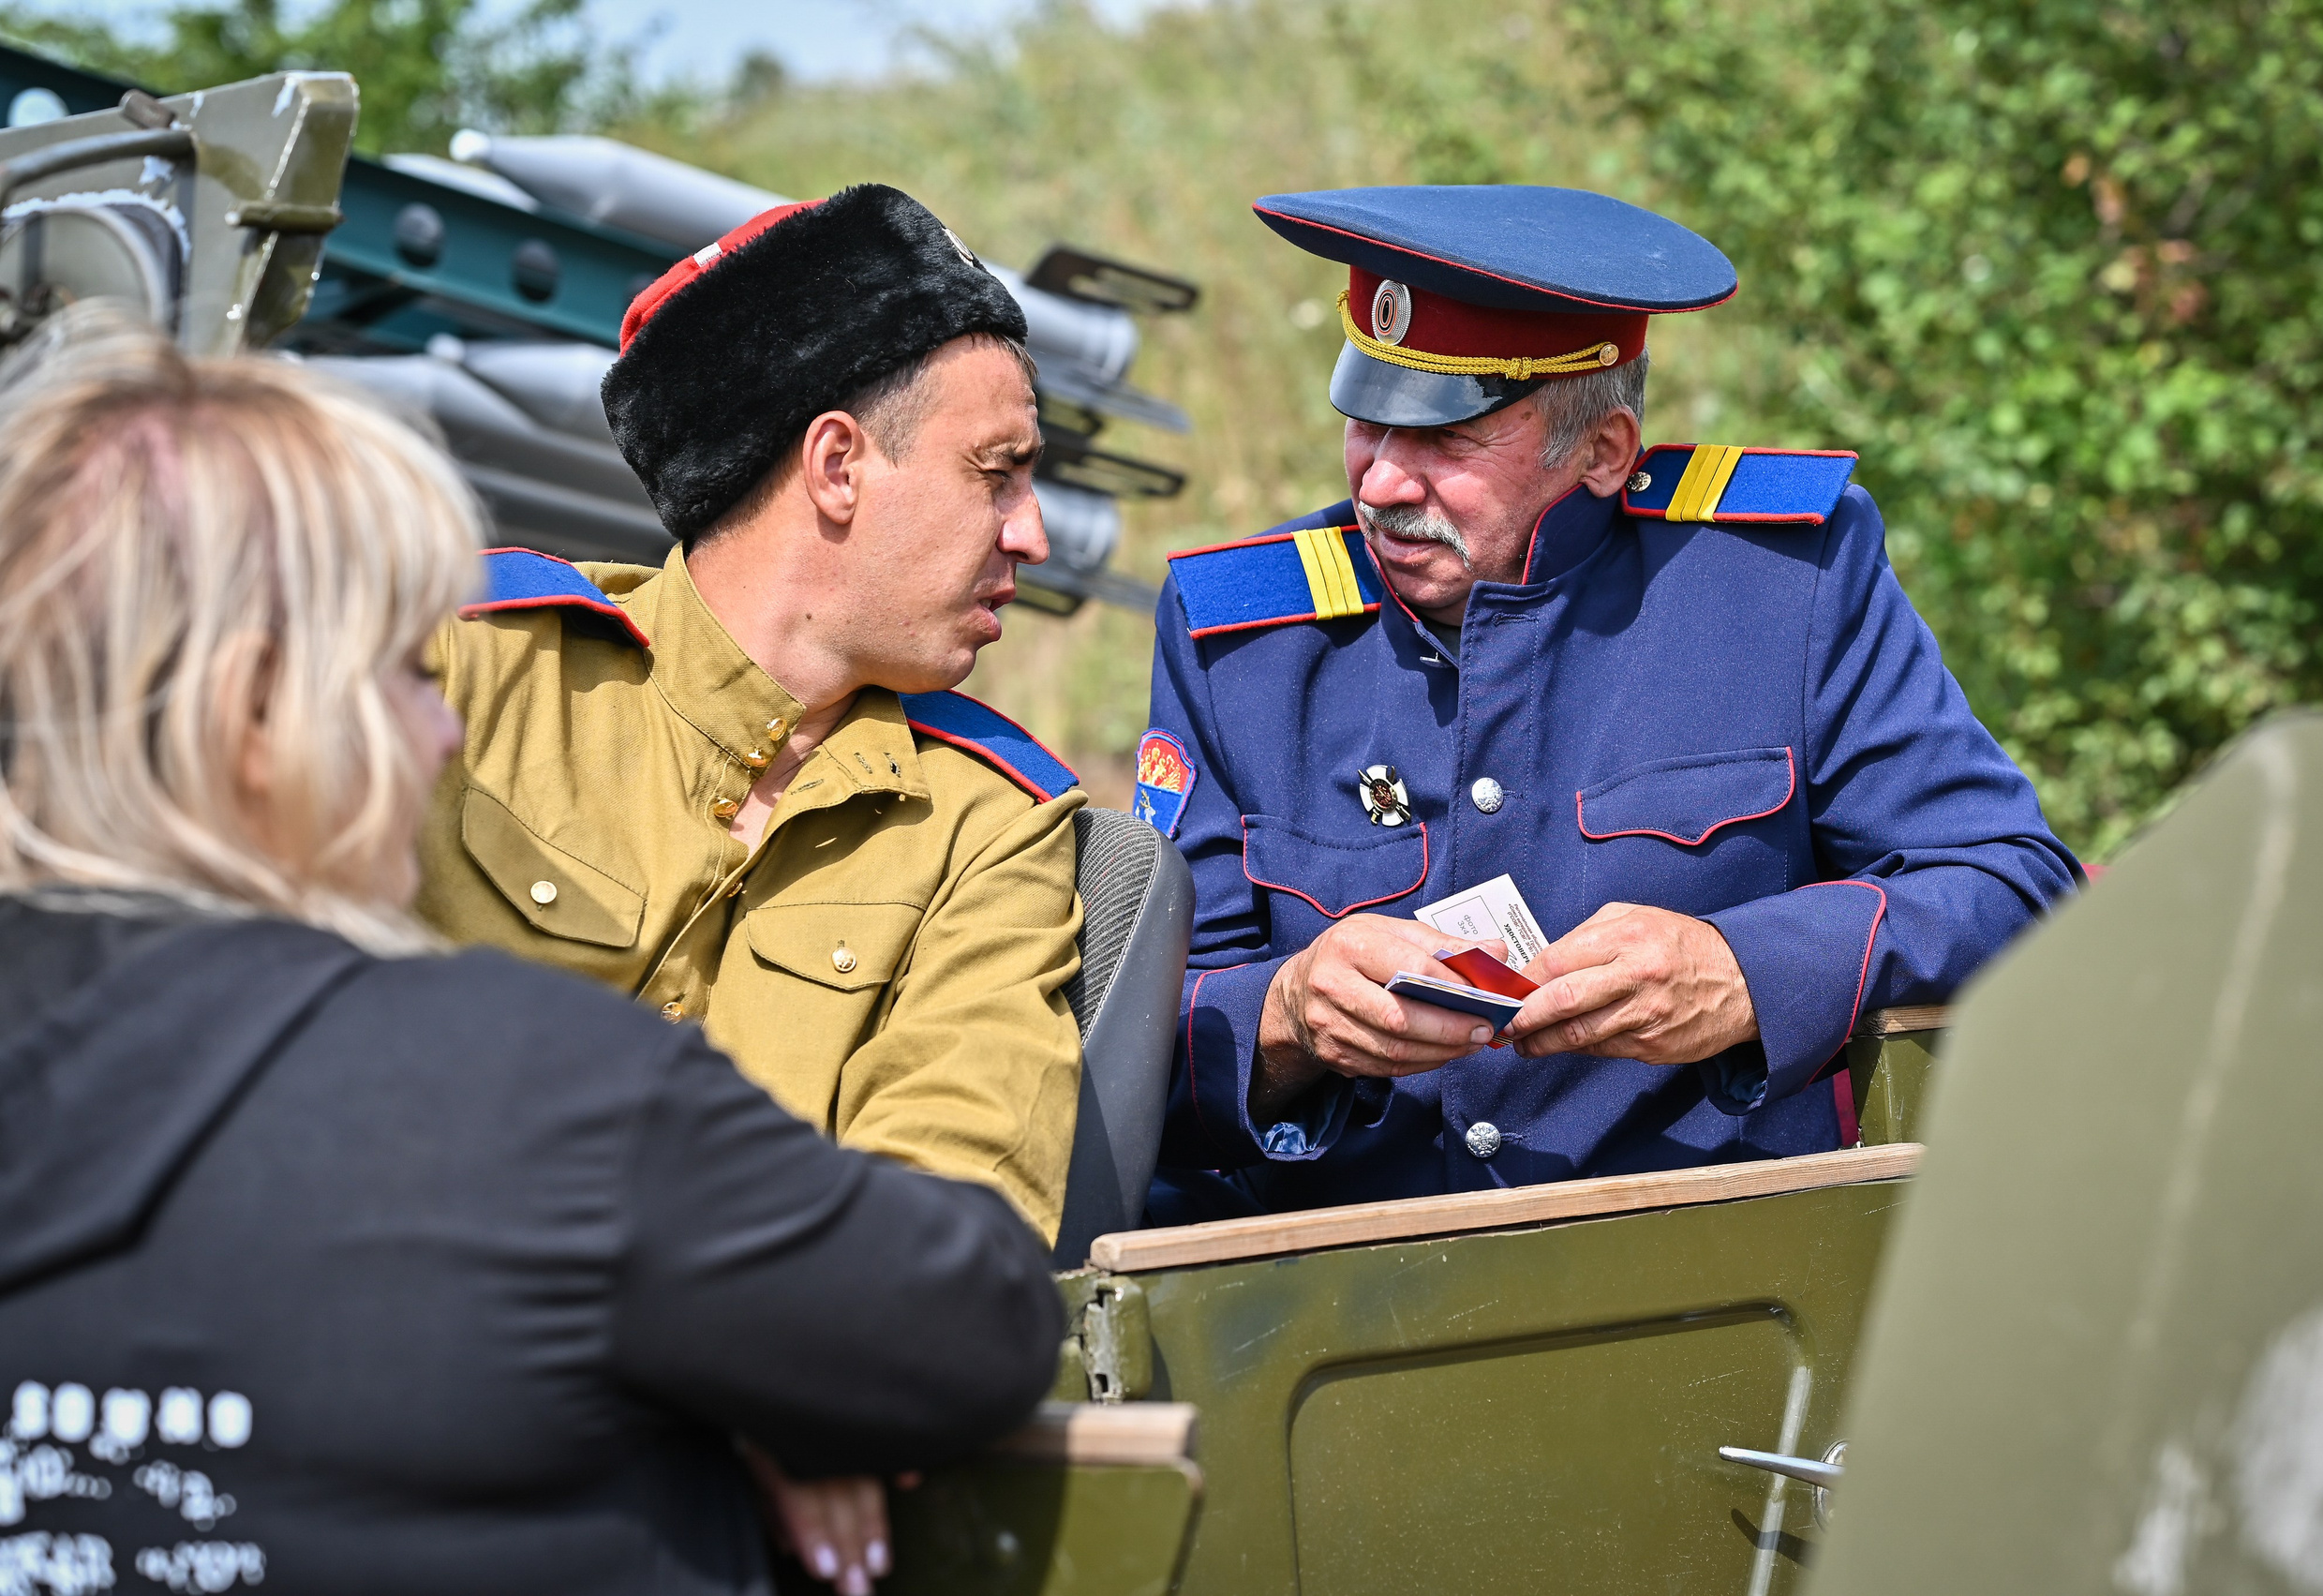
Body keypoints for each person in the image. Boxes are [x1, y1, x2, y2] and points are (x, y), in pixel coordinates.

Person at [0, 312, 1064, 1596]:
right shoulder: (553, 1083)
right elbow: (948, 1316)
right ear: (255, 714)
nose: (439, 733)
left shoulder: (993, 815)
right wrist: (775, 1369)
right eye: (397, 671)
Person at [1139, 186, 2082, 1219]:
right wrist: (1285, 1015)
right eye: (1365, 424)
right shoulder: (1241, 641)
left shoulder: (1778, 581)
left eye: (1446, 442)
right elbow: (1145, 1044)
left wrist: (1744, 970)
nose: (1383, 484)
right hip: (1351, 1315)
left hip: (1725, 1284)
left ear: (1603, 450)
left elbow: (2010, 881)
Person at [412, 185, 1086, 1245]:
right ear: (836, 467)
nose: (1033, 536)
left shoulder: (989, 828)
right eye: (997, 475)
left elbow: (949, 1240)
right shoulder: (459, 670)